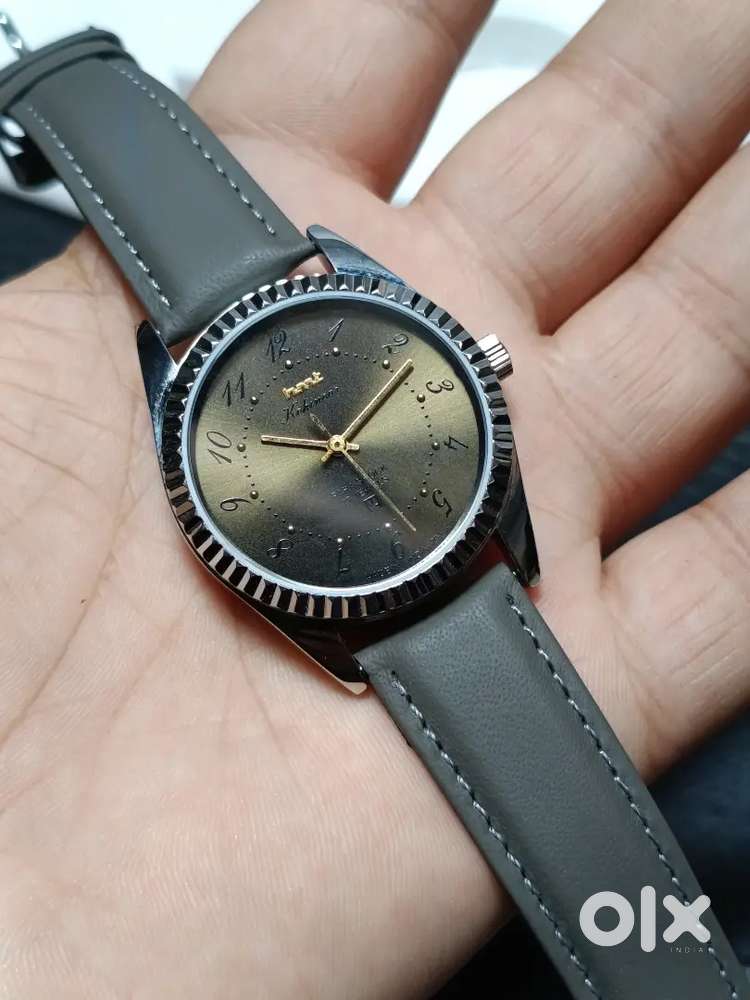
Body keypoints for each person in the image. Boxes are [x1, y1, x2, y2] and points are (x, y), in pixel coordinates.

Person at [1, 1, 748, 995]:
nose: (337, 444)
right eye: (321, 446)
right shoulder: (218, 414)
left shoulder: (321, 340)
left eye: (348, 430)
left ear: (474, 366)